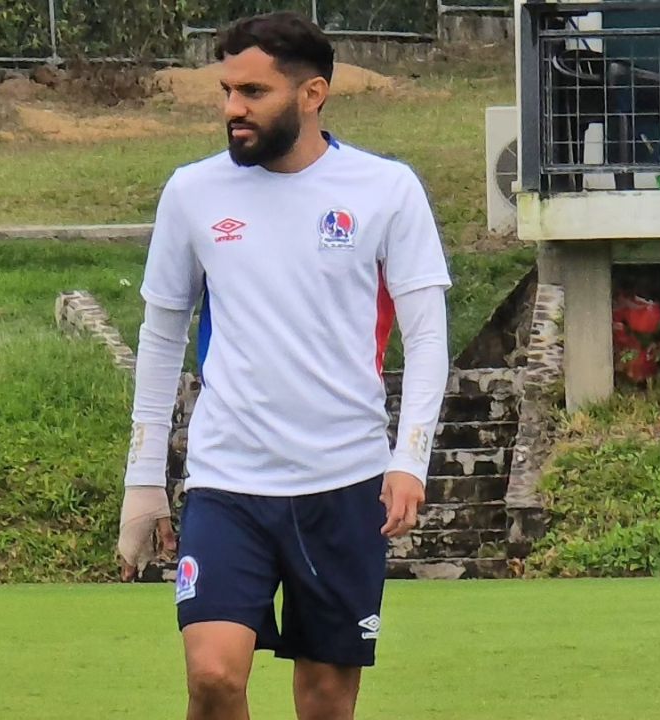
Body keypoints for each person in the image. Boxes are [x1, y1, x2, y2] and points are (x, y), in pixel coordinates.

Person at [114, 11, 451, 720]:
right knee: (212, 676)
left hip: (345, 483)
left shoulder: (386, 191)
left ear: (312, 93)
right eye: (226, 91)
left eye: (253, 92)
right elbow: (162, 335)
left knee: (325, 701)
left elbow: (426, 339)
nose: (233, 109)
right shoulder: (192, 193)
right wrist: (143, 482)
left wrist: (409, 459)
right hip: (228, 482)